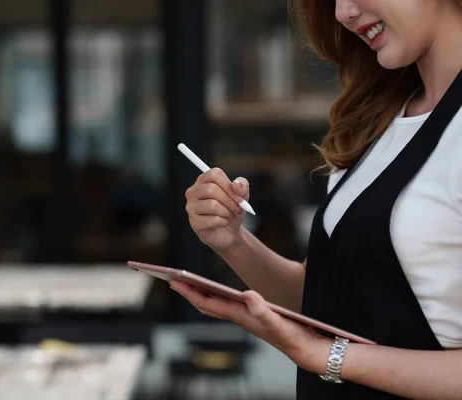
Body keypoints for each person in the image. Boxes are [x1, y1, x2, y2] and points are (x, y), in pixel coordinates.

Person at [171, 1, 462, 398]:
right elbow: (326, 297)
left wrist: (325, 355)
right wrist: (233, 241)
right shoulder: (382, 118)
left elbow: (323, 344)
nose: (343, 12)